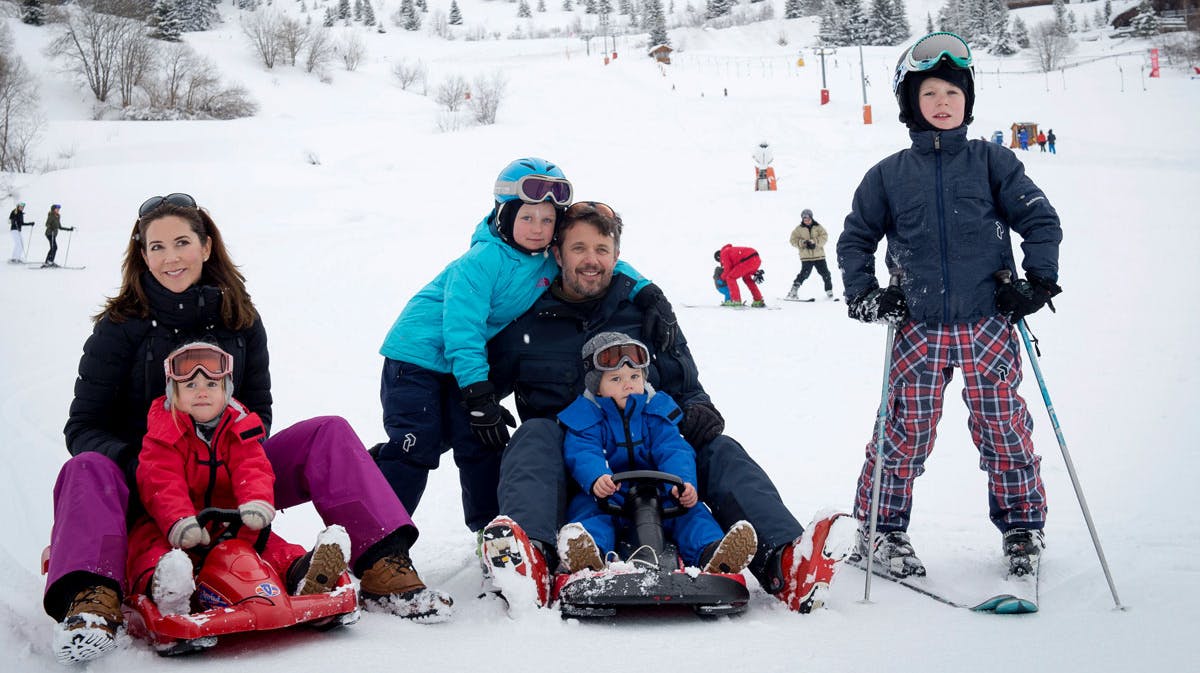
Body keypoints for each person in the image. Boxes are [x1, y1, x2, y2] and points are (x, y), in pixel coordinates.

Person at [48, 193, 450, 665]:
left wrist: (239, 465)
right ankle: (92, 601)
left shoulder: (240, 319)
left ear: (206, 246)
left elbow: (258, 409)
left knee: (329, 432)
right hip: (149, 478)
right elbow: (83, 425)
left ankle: (384, 566)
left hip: (232, 474)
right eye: (156, 247)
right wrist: (145, 463)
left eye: (181, 242)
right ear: (141, 255)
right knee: (85, 467)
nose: (170, 257)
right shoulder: (120, 328)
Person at [481, 200, 854, 613]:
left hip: (655, 460)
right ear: (557, 253)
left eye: (602, 250)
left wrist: (698, 411)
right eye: (579, 249)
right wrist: (475, 407)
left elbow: (685, 385)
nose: (591, 260)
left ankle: (786, 562)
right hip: (572, 469)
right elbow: (479, 385)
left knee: (720, 448)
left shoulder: (645, 311)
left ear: (617, 255)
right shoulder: (526, 315)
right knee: (534, 433)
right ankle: (532, 558)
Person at [836, 32, 1063, 580]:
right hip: (918, 325)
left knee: (1003, 425)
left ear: (968, 102)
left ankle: (1021, 526)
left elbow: (1039, 219)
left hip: (988, 319)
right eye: (931, 93)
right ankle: (880, 530)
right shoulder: (888, 175)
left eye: (953, 94)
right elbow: (855, 239)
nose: (943, 102)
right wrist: (866, 294)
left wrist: (1037, 281)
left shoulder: (992, 162)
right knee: (903, 430)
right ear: (911, 102)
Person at [372, 158, 675, 543]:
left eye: (547, 220)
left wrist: (647, 290)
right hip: (417, 360)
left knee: (477, 441)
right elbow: (462, 330)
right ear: (505, 216)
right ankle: (379, 540)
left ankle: (491, 531)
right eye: (527, 218)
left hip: (459, 365)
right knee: (416, 448)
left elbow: (600, 257)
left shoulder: (545, 255)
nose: (537, 229)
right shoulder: (481, 261)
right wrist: (478, 393)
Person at [127, 343, 350, 616]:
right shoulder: (164, 434)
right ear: (174, 394)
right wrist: (179, 521)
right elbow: (160, 483)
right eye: (190, 386)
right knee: (151, 552)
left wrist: (256, 502)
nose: (201, 392)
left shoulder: (239, 427)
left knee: (269, 548)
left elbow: (253, 467)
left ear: (226, 391)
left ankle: (303, 574)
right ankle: (166, 589)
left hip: (227, 523)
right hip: (171, 527)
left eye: (211, 385)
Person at [556, 332, 757, 575]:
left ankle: (713, 553)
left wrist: (682, 482)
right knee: (590, 513)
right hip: (610, 494)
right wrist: (597, 477)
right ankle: (589, 555)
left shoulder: (656, 411)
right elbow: (583, 451)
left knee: (692, 513)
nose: (628, 384)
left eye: (634, 376)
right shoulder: (587, 416)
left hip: (660, 493)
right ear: (597, 386)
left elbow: (673, 448)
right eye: (616, 379)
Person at [786, 208, 834, 300]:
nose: (806, 221)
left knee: (825, 273)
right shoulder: (798, 229)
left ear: (811, 218)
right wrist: (803, 243)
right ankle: (793, 290)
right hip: (806, 257)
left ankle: (829, 291)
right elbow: (792, 240)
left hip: (819, 256)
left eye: (808, 219)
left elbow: (824, 237)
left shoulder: (818, 227)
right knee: (804, 274)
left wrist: (814, 242)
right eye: (804, 219)